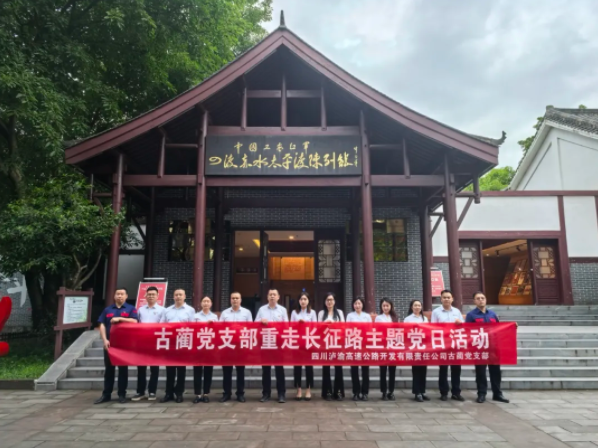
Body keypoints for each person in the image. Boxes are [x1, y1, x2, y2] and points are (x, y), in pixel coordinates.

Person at [94, 288, 138, 404]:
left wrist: (120, 319)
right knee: (109, 370)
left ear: (126, 296)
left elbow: (135, 321)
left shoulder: (131, 309)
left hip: (124, 345)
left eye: (122, 294)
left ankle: (122, 394)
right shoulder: (108, 309)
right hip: (110, 344)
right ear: (114, 296)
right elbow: (102, 325)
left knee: (123, 370)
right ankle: (106, 394)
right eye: (117, 294)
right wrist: (104, 340)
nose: (119, 296)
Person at [466, 291, 510, 404]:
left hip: (493, 348)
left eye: (482, 298)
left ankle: (497, 394)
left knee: (495, 372)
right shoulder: (471, 315)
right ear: (474, 301)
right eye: (478, 298)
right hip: (480, 348)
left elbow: (499, 329)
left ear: (485, 300)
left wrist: (511, 327)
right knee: (480, 372)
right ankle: (481, 394)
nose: (481, 300)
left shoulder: (492, 314)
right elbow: (467, 332)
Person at [159, 288, 195, 403]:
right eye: (176, 295)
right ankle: (168, 393)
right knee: (169, 369)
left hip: (183, 342)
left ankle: (179, 393)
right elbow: (161, 325)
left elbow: (193, 326)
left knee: (181, 370)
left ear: (185, 296)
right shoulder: (167, 310)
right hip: (170, 343)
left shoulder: (190, 310)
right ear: (173, 296)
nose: (178, 296)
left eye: (180, 295)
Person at [255, 288, 289, 403]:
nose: (272, 296)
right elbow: (255, 324)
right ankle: (266, 393)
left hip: (278, 342)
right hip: (266, 342)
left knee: (279, 369)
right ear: (267, 297)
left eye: (274, 294)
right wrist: (261, 321)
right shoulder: (261, 309)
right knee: (266, 370)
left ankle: (281, 394)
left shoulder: (283, 310)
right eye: (270, 294)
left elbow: (286, 326)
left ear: (278, 297)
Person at [131, 286, 164, 402]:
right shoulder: (140, 310)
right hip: (142, 342)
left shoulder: (162, 310)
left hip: (155, 342)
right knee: (141, 368)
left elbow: (162, 326)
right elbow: (137, 324)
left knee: (154, 368)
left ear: (157, 296)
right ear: (145, 296)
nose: (151, 296)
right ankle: (140, 391)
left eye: (153, 294)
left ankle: (152, 391)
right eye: (149, 294)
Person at [431, 289, 465, 402]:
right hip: (443, 344)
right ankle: (444, 392)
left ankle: (456, 392)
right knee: (443, 369)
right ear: (441, 299)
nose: (446, 299)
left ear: (452, 299)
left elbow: (464, 326)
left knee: (456, 369)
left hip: (455, 344)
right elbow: (433, 328)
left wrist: (460, 323)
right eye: (444, 297)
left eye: (448, 297)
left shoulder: (457, 311)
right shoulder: (436, 312)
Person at [219, 291, 252, 403]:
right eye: (233, 298)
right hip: (227, 344)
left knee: (240, 371)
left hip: (240, 345)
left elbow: (250, 327)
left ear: (241, 300)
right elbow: (219, 328)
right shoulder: (225, 313)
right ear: (230, 300)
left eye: (237, 298)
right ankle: (226, 393)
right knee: (226, 371)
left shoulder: (247, 312)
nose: (235, 300)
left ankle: (240, 394)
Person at [318, 292, 345, 401]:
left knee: (338, 368)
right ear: (325, 302)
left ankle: (338, 392)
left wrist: (333, 324)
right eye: (327, 300)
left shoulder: (339, 313)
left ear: (334, 301)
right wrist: (326, 323)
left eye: (331, 300)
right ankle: (327, 392)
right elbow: (318, 328)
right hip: (325, 343)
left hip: (337, 343)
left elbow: (343, 327)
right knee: (326, 368)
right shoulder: (321, 313)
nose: (329, 302)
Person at [290, 292, 317, 401]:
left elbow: (315, 327)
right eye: (301, 299)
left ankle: (308, 389)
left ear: (308, 301)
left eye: (305, 299)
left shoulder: (312, 312)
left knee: (309, 367)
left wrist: (306, 323)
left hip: (309, 342)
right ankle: (299, 389)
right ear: (299, 301)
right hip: (297, 342)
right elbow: (291, 326)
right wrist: (298, 324)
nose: (303, 301)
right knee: (297, 367)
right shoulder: (294, 312)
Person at [192, 296, 218, 404]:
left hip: (209, 347)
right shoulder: (195, 316)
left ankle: (206, 393)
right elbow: (192, 329)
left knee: (208, 371)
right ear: (201, 303)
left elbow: (218, 331)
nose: (206, 303)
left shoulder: (214, 317)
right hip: (198, 346)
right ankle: (198, 394)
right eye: (204, 301)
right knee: (197, 371)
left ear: (211, 303)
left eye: (208, 301)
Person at [346, 296, 372, 401]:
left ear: (362, 305)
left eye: (359, 303)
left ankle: (365, 392)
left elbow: (370, 330)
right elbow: (347, 329)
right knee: (354, 370)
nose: (357, 305)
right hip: (354, 345)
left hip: (365, 345)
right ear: (353, 305)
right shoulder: (350, 316)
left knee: (365, 370)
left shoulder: (367, 316)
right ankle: (356, 392)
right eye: (356, 303)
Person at [405, 299, 430, 402]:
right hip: (414, 348)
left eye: (419, 305)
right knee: (416, 370)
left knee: (423, 370)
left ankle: (422, 391)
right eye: (415, 305)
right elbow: (405, 333)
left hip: (423, 348)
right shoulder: (408, 319)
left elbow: (428, 332)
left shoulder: (425, 319)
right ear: (411, 307)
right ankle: (417, 392)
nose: (417, 307)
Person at [375, 297, 398, 401]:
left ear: (391, 306)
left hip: (393, 347)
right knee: (383, 370)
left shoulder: (395, 317)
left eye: (387, 305)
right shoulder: (378, 318)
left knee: (392, 370)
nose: (385, 307)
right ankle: (384, 392)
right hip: (383, 347)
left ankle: (391, 391)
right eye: (383, 305)